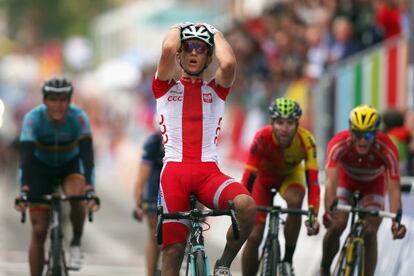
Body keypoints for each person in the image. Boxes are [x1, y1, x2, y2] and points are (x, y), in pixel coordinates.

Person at [152, 22, 256, 276]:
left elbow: (229, 64)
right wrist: (181, 27)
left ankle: (223, 264)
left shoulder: (216, 91)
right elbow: (167, 48)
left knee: (246, 206)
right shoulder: (165, 86)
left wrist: (214, 32)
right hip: (174, 174)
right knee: (173, 252)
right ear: (180, 54)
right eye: (188, 48)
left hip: (209, 173)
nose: (193, 53)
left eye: (200, 49)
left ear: (209, 57)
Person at [14, 77, 99, 276]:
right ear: (44, 101)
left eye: (63, 100)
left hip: (70, 166)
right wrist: (24, 188)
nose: (58, 105)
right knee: (39, 230)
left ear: (70, 101)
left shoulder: (79, 118)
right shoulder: (33, 118)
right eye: (53, 99)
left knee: (77, 196)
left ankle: (76, 240)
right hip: (39, 168)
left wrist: (90, 188)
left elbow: (87, 155)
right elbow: (25, 155)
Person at [320, 105, 407, 276]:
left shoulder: (387, 148)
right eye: (358, 134)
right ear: (350, 131)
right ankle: (325, 266)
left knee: (370, 230)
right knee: (337, 225)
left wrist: (396, 220)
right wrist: (329, 211)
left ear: (376, 133)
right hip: (346, 182)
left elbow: (394, 188)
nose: (362, 141)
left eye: (368, 135)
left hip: (373, 185)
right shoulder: (338, 143)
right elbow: (331, 182)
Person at [241, 97, 321, 276]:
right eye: (279, 123)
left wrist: (313, 213)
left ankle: (287, 259)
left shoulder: (307, 140)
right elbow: (248, 177)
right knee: (254, 237)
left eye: (290, 123)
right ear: (271, 123)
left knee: (296, 200)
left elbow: (313, 181)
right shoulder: (262, 137)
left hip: (290, 176)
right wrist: (242, 205)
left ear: (297, 124)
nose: (285, 129)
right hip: (263, 180)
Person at [133, 131, 164, 276]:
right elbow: (141, 177)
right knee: (154, 234)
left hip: (177, 189)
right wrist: (139, 202)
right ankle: (150, 273)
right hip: (154, 192)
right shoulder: (155, 142)